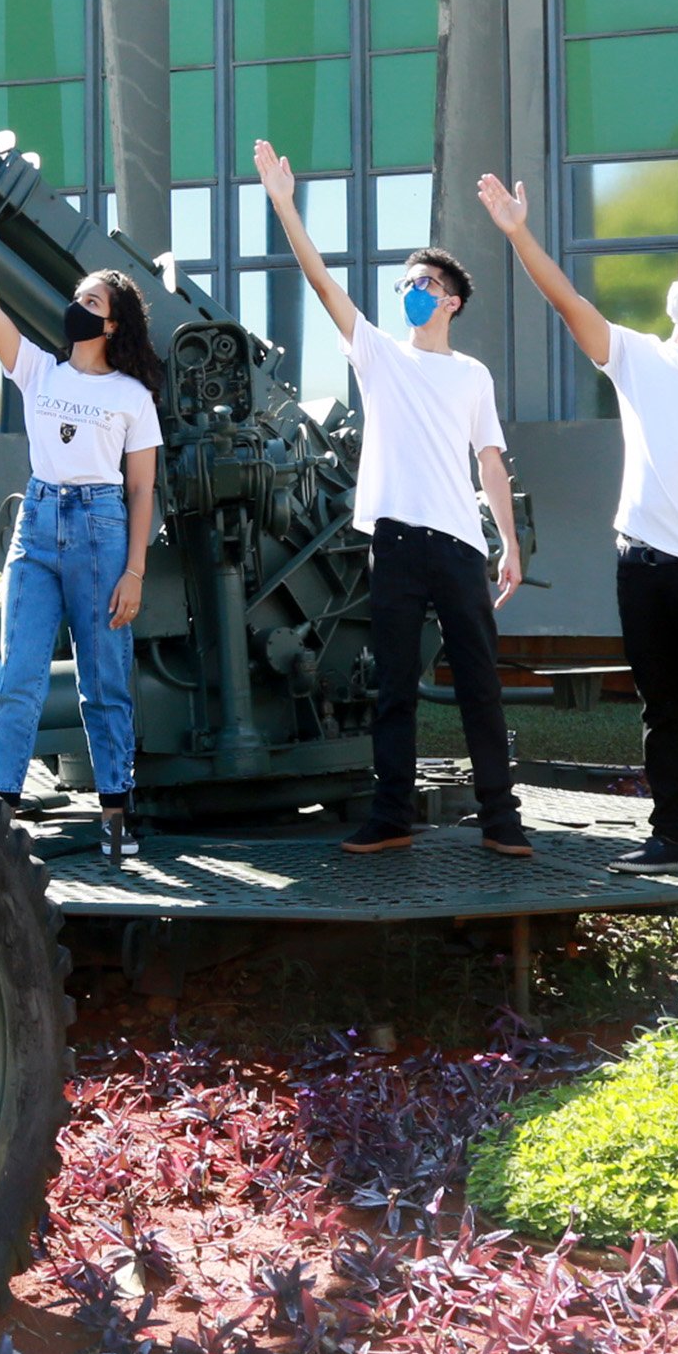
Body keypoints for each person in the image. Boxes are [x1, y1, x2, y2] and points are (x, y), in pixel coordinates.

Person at [476, 177, 678, 883]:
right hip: (637, 558)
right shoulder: (637, 355)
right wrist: (519, 231)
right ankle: (668, 840)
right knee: (656, 707)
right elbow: (567, 300)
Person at [251, 139, 531, 857]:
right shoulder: (377, 354)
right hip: (397, 545)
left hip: (463, 547)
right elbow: (321, 283)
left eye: (427, 283)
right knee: (394, 688)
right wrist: (284, 203)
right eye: (408, 280)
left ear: (453, 301)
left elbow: (490, 461)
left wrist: (509, 542)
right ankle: (391, 816)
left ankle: (503, 819)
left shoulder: (472, 375)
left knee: (478, 688)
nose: (414, 289)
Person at [0, 172, 161, 854]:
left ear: (112, 323)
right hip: (38, 527)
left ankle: (115, 810)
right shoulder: (39, 370)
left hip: (102, 530)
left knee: (103, 678)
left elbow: (142, 489)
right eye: (77, 297)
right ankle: (3, 804)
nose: (76, 306)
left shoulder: (133, 396)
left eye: (91, 301)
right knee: (17, 673)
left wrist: (134, 570)